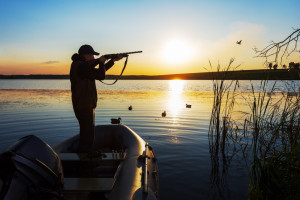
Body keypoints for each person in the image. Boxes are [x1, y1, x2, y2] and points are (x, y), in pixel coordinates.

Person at [70, 44, 123, 152]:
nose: (94, 58)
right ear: (86, 55)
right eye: (92, 55)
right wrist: (100, 62)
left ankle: (83, 158)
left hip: (84, 105)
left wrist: (112, 61)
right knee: (87, 137)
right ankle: (83, 162)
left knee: (87, 135)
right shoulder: (80, 66)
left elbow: (99, 72)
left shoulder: (81, 66)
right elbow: (101, 75)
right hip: (84, 106)